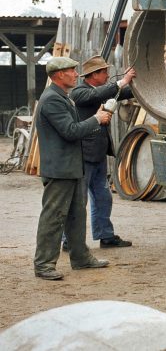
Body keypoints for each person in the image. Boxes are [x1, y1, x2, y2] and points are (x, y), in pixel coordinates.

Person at [33, 56, 112, 280]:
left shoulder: (61, 96)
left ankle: (81, 258)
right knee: (53, 217)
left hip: (71, 168)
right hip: (60, 171)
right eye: (72, 71)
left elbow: (73, 128)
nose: (76, 74)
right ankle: (44, 265)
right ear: (60, 75)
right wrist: (96, 119)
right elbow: (70, 131)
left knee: (77, 215)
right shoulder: (52, 100)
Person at [68, 55, 136, 249]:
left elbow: (123, 92)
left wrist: (137, 83)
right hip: (84, 155)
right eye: (104, 72)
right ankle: (69, 240)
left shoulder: (101, 91)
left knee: (103, 198)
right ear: (93, 75)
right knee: (79, 201)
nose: (107, 75)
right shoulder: (79, 92)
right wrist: (123, 81)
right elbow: (97, 95)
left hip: (98, 154)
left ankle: (105, 236)